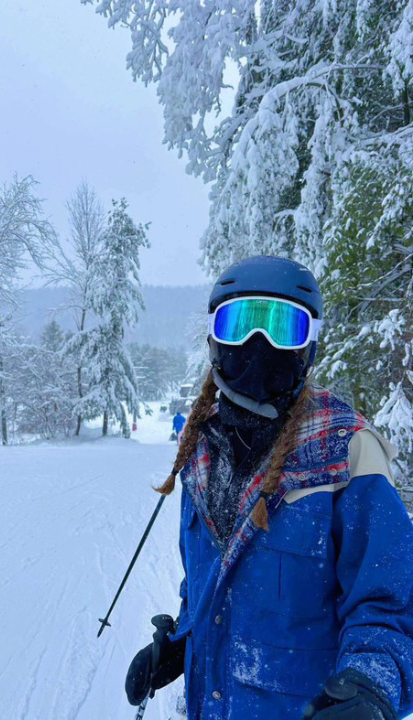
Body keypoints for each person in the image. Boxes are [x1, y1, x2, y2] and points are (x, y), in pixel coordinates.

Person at [124, 256, 413, 719]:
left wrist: (370, 684)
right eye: (239, 324)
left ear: (309, 347)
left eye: (284, 327)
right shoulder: (201, 452)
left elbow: (391, 602)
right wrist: (180, 642)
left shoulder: (347, 454)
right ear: (214, 340)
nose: (259, 344)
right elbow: (205, 582)